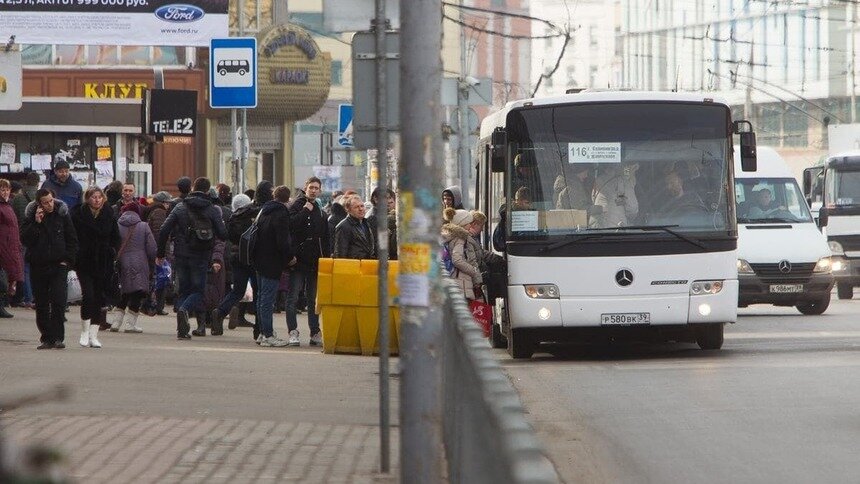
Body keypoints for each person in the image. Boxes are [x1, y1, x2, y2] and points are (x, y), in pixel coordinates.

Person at [156, 177, 227, 339]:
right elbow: (223, 234)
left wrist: (160, 254)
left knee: (183, 290)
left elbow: (164, 229)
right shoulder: (213, 210)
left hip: (181, 254)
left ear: (193, 188)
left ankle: (182, 329)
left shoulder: (180, 207)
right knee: (198, 290)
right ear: (208, 191)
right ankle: (185, 310)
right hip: (201, 255)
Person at [20, 189, 79, 349]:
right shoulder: (31, 217)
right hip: (38, 265)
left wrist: (68, 261)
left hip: (59, 264)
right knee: (41, 303)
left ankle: (58, 337)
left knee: (59, 301)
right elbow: (25, 239)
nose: (50, 204)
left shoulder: (62, 214)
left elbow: (72, 239)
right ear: (39, 204)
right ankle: (47, 337)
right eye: (46, 202)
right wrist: (37, 224)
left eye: (51, 200)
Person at [71, 187, 120, 347]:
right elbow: (72, 236)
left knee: (99, 298)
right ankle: (84, 332)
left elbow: (116, 237)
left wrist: (113, 251)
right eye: (94, 197)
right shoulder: (78, 215)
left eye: (100, 197)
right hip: (85, 260)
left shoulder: (109, 214)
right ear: (88, 198)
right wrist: (76, 253)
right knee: (89, 295)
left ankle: (94, 334)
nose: (97, 200)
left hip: (103, 261)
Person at [286, 177, 330, 347]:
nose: (313, 190)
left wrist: (325, 258)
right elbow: (290, 226)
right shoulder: (297, 205)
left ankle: (315, 332)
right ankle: (293, 331)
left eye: (316, 188)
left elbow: (324, 237)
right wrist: (304, 210)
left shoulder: (320, 210)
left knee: (313, 299)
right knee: (293, 297)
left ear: (319, 190)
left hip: (314, 261)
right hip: (297, 260)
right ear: (305, 188)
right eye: (311, 187)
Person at [252, 185, 295, 347]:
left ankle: (262, 333)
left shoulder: (264, 210)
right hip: (272, 261)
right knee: (267, 300)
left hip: (259, 259)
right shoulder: (281, 213)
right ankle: (268, 335)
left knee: (262, 298)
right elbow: (283, 241)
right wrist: (290, 257)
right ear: (287, 199)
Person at [211, 193, 259, 333]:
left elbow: (228, 236)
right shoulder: (255, 215)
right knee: (258, 290)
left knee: (237, 290)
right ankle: (259, 325)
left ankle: (220, 312)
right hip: (253, 257)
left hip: (236, 256)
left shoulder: (234, 216)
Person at [110, 203, 156, 334]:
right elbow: (152, 249)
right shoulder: (143, 226)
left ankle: (115, 322)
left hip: (121, 262)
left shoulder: (117, 225)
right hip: (140, 262)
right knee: (137, 292)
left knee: (124, 292)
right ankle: (130, 324)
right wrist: (152, 262)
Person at [442, 208, 483, 301]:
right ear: (463, 224)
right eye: (469, 223)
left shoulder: (450, 236)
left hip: (455, 282)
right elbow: (457, 260)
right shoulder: (460, 238)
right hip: (461, 283)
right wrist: (473, 270)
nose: (470, 225)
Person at [11, 172, 38, 309]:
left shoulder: (18, 199)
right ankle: (37, 296)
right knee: (38, 267)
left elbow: (13, 217)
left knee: (25, 268)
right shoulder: (41, 197)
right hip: (38, 237)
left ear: (26, 182)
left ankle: (28, 298)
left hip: (22, 236)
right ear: (38, 183)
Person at [0, 179, 24, 318]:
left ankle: (2, 305)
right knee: (3, 280)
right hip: (3, 246)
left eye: (7, 189)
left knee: (7, 278)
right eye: (2, 190)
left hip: (10, 246)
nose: (6, 192)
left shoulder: (8, 205)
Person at [334, 194, 377, 260]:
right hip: (353, 266)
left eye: (362, 206)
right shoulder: (343, 226)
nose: (360, 209)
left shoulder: (366, 223)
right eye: (356, 207)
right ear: (348, 210)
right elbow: (341, 253)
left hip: (366, 264)